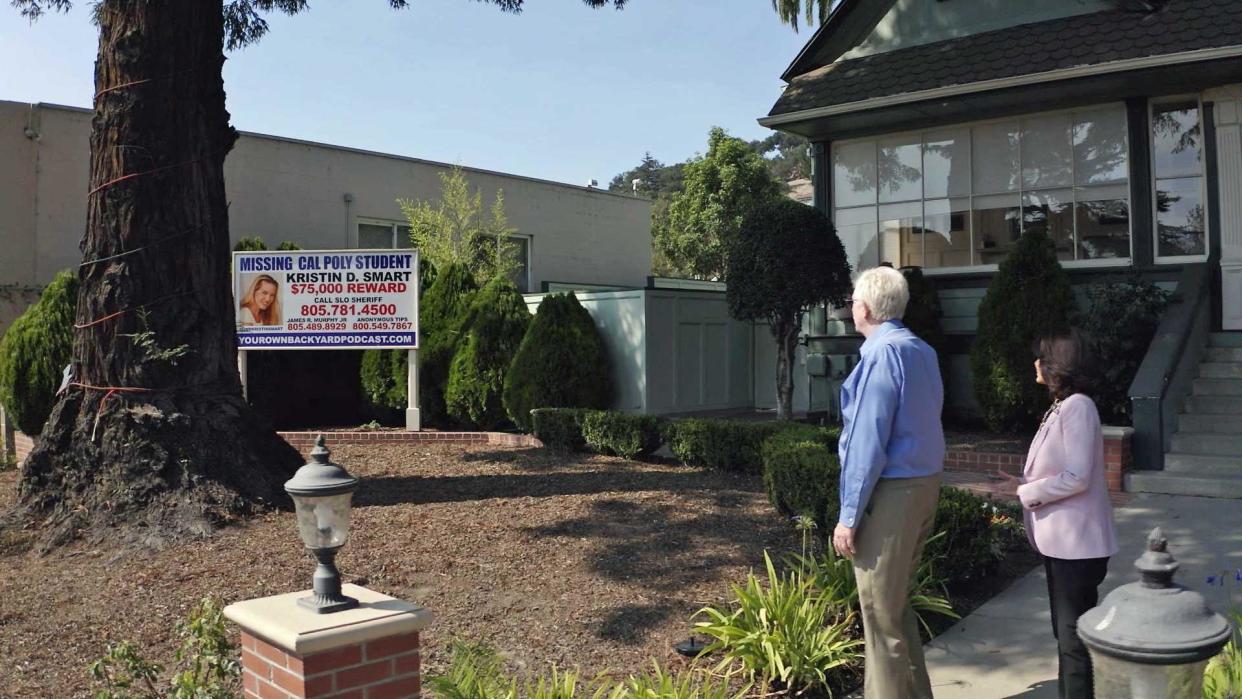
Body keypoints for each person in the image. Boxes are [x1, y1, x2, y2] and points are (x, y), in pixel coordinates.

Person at [834, 266, 945, 699]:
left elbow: (866, 443)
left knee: (880, 616)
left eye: (853, 301)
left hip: (894, 492)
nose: (851, 307)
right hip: (924, 484)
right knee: (895, 610)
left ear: (864, 307)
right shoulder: (921, 350)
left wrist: (848, 517)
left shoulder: (881, 354)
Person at [999, 329, 1118, 699]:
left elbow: (1078, 476)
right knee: (1065, 637)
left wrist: (1026, 492)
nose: (1035, 363)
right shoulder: (1062, 406)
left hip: (1078, 546)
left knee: (1073, 642)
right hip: (1062, 545)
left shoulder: (1079, 406)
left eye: (1042, 356)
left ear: (1057, 365)